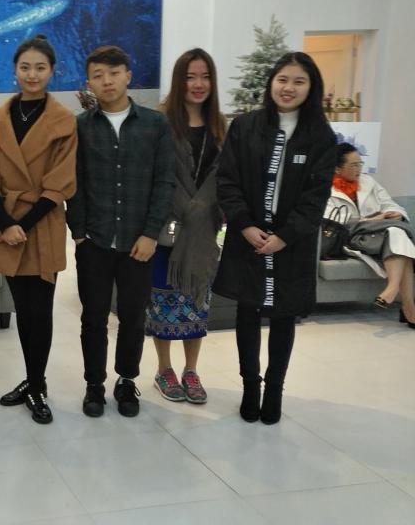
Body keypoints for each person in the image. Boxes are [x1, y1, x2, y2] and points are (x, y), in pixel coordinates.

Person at [214, 52, 336, 425]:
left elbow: (316, 196)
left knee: (284, 316)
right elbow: (227, 180)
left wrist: (285, 235)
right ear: (271, 82)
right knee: (248, 311)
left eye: (299, 81)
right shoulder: (245, 126)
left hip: (291, 244)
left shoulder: (320, 135)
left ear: (311, 88)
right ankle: (250, 387)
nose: (289, 88)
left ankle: (274, 390)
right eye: (283, 79)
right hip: (247, 237)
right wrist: (244, 225)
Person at [66, 45, 175, 420]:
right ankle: (94, 385)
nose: (107, 81)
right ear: (89, 82)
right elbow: (74, 184)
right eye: (98, 75)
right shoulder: (81, 126)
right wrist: (79, 233)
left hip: (137, 243)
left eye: (114, 73)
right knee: (93, 318)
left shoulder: (154, 124)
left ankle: (127, 380)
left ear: (128, 75)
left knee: (133, 317)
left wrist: (150, 233)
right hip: (94, 241)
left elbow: (164, 182)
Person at [0, 35, 77, 424]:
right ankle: (34, 380)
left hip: (42, 224)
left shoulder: (63, 121)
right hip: (6, 224)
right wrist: (5, 222)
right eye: (25, 67)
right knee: (22, 308)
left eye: (40, 67)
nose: (32, 75)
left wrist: (24, 225)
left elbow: (62, 180)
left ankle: (37, 385)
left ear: (52, 71)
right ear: (15, 71)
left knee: (40, 310)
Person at [146, 49, 226, 405]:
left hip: (203, 232)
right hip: (166, 229)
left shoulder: (220, 126)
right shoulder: (160, 122)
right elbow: (153, 174)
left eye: (205, 77)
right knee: (162, 302)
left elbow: (226, 177)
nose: (198, 84)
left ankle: (191, 370)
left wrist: (206, 208)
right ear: (179, 81)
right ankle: (164, 369)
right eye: (191, 77)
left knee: (196, 301)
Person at [327, 142, 415, 325]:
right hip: (350, 237)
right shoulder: (325, 188)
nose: (359, 169)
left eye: (360, 163)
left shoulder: (369, 182)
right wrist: (374, 219)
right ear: (337, 168)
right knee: (399, 235)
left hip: (380, 234)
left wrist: (395, 214)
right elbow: (333, 221)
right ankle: (407, 307)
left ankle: (399, 299)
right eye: (354, 165)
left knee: (397, 232)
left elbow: (389, 203)